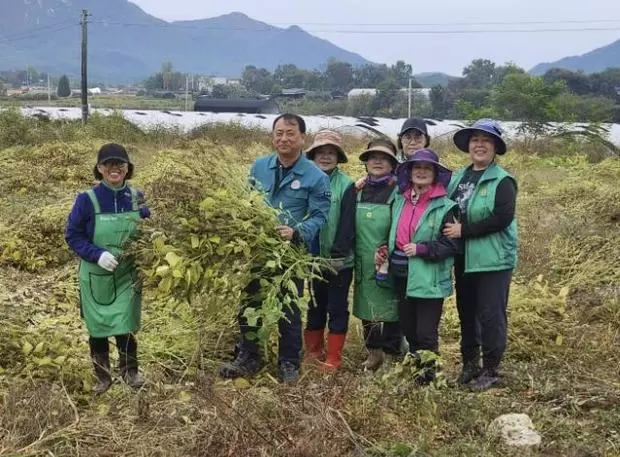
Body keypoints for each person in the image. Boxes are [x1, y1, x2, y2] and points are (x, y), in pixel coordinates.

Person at [219, 113, 331, 383]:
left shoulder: (315, 176)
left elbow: (320, 216)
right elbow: (246, 202)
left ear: (302, 137)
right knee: (250, 302)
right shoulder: (260, 167)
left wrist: (296, 232)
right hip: (258, 252)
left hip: (291, 255)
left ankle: (289, 363)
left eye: (290, 133)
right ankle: (248, 356)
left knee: (288, 308)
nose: (284, 138)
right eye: (279, 133)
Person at [65, 143, 150, 395]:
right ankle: (102, 377)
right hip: (96, 275)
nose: (115, 168)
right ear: (100, 168)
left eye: (120, 163)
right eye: (109, 164)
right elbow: (73, 235)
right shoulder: (87, 200)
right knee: (98, 325)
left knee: (125, 323)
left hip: (127, 274)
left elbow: (151, 224)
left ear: (128, 168)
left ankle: (130, 371)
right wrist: (97, 254)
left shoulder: (137, 197)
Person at [443, 119, 518, 391]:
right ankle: (470, 364)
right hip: (464, 258)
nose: (479, 145)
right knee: (467, 312)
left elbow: (501, 218)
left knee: (490, 314)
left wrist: (464, 230)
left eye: (486, 140)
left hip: (493, 259)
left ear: (495, 147)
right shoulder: (458, 178)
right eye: (475, 139)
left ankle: (492, 369)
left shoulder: (502, 180)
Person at [385, 148, 461, 385]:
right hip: (400, 273)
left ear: (435, 174)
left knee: (426, 332)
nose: (421, 172)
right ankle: (417, 372)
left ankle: (429, 378)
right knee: (408, 328)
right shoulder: (399, 200)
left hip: (429, 277)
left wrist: (422, 249)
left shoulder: (447, 207)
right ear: (409, 172)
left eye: (427, 168)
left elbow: (451, 245)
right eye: (416, 167)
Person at [303, 130, 356, 372]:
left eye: (331, 153)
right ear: (313, 155)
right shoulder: (304, 181)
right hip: (310, 258)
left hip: (338, 260)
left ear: (338, 157)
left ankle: (334, 357)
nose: (326, 157)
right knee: (314, 304)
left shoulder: (347, 186)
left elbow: (347, 224)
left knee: (336, 306)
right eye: (321, 152)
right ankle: (313, 352)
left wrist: (337, 255)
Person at [353, 138, 401, 371]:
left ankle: (392, 354)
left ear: (393, 164)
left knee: (392, 308)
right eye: (373, 157)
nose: (378, 161)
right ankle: (374, 353)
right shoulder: (357, 189)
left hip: (389, 257)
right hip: (363, 258)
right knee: (367, 308)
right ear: (366, 163)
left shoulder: (399, 190)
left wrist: (388, 251)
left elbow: (404, 224)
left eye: (384, 158)